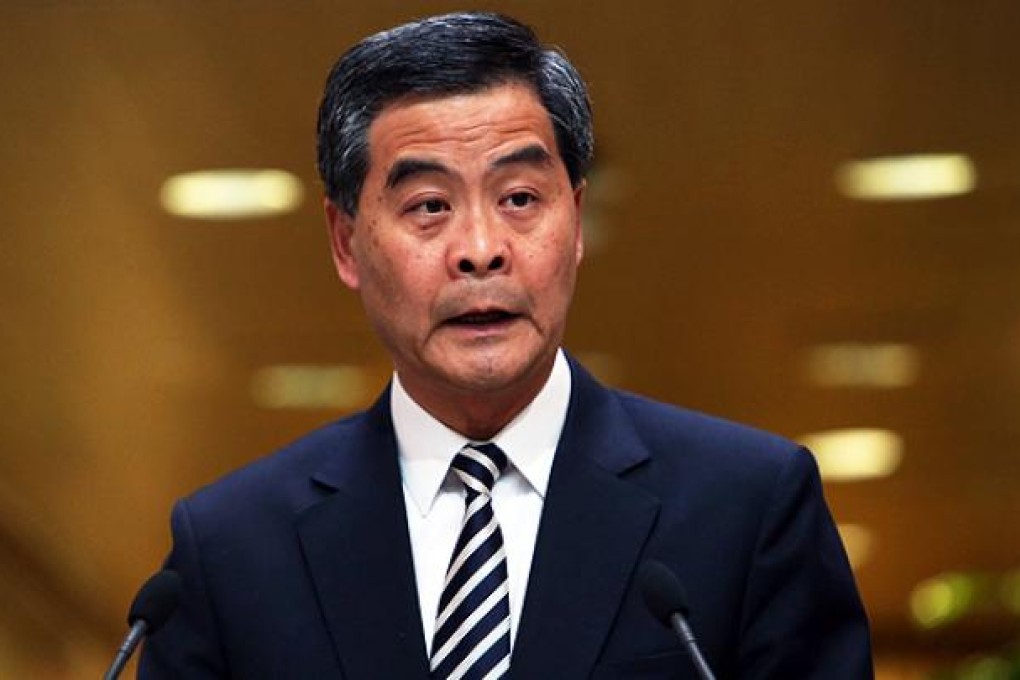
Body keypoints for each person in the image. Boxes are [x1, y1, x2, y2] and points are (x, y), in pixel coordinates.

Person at [140, 11, 872, 679]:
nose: (482, 250)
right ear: (345, 243)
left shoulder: (748, 509)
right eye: (429, 206)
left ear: (576, 221)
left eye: (520, 199)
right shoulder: (232, 551)